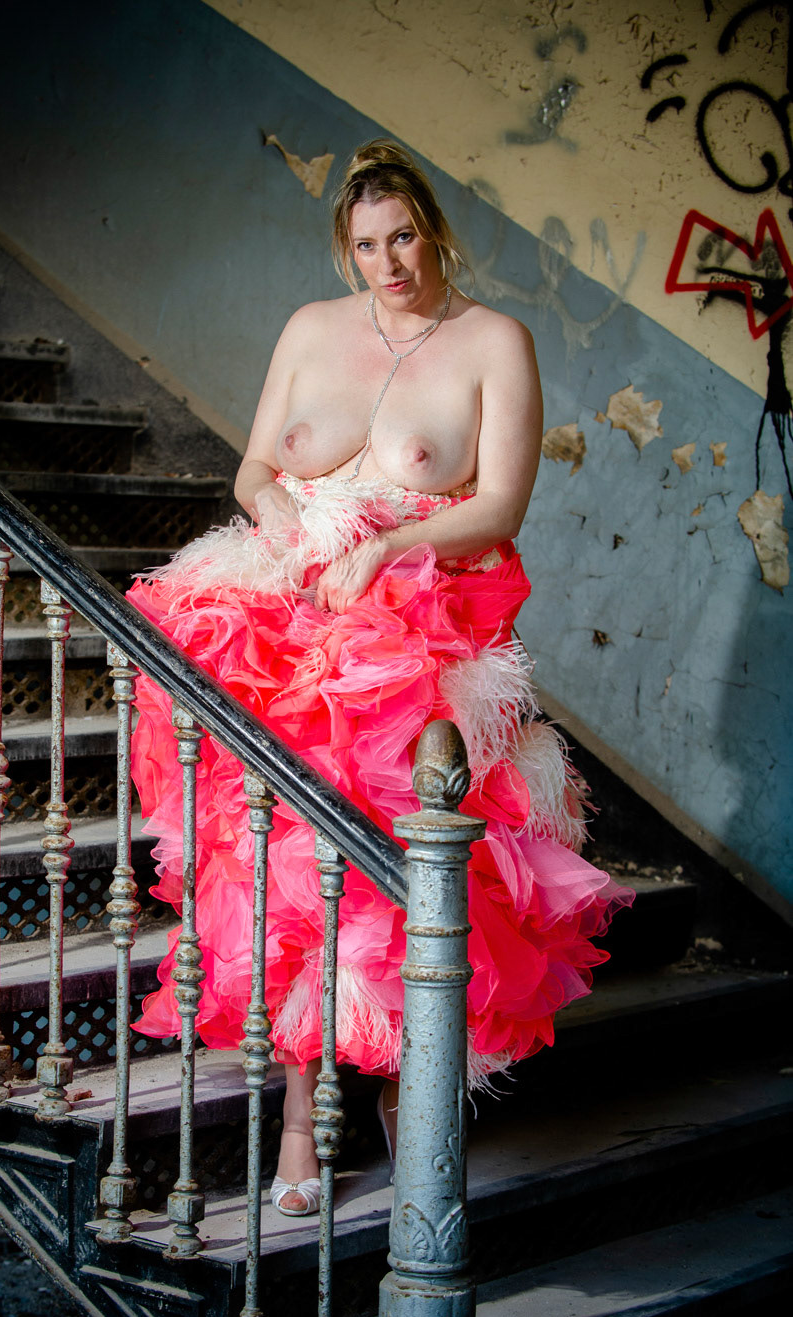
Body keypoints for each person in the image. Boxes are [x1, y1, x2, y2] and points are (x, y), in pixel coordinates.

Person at [127, 139, 632, 1217]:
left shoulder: (494, 341)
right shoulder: (311, 328)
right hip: (288, 625)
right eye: (365, 245)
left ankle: (413, 1117)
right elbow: (254, 467)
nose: (387, 262)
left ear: (433, 230)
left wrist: (388, 547)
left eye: (402, 237)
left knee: (400, 874)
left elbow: (498, 506)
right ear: (344, 250)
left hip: (416, 632)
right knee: (285, 871)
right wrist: (277, 509)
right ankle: (300, 1126)